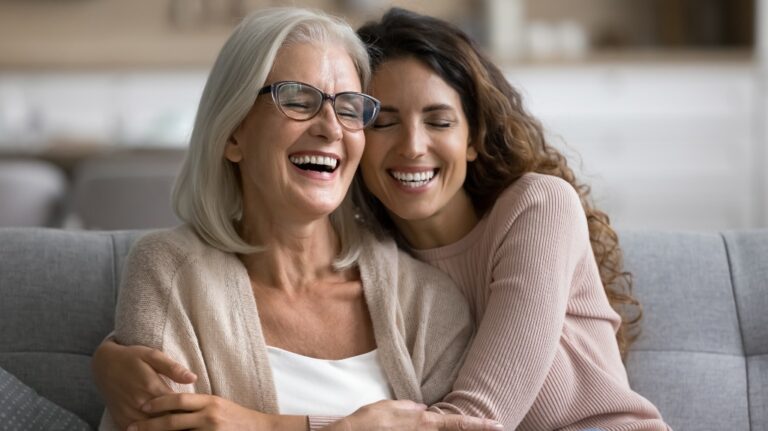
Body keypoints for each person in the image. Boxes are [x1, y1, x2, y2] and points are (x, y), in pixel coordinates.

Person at [94, 6, 671, 431]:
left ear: (476, 137)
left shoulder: (524, 217)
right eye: (382, 120)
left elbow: (475, 423)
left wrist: (273, 425)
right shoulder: (400, 261)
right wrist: (106, 357)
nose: (412, 147)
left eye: (348, 108)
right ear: (233, 131)